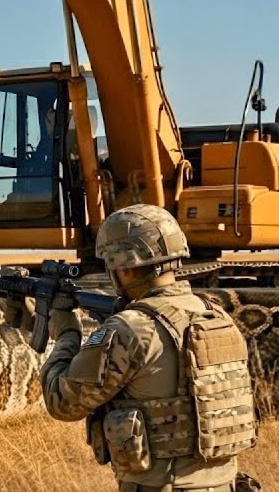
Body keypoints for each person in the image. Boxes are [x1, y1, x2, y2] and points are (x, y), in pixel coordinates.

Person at [40, 205, 260, 492]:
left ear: (125, 266)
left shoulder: (130, 329)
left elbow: (62, 403)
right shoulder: (217, 317)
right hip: (227, 484)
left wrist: (66, 333)